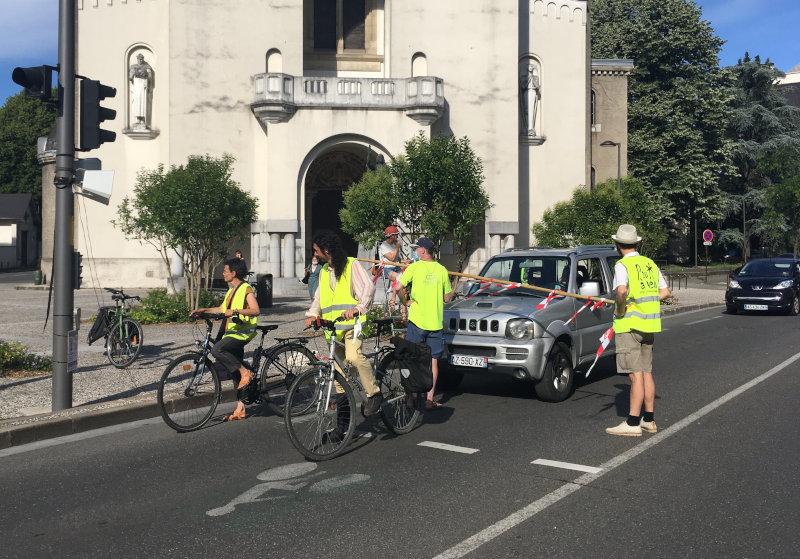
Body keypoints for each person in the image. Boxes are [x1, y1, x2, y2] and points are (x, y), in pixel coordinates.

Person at [304, 231, 383, 416]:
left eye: (316, 251)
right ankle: (343, 421)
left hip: (351, 326)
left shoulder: (351, 264)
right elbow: (319, 297)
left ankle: (374, 394)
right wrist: (312, 314)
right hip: (333, 329)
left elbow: (368, 287)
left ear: (327, 250)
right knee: (338, 374)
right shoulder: (324, 271)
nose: (314, 254)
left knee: (354, 356)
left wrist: (358, 308)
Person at [606, 224, 671, 436]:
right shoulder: (649, 263)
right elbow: (665, 292)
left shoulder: (622, 265)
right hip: (649, 324)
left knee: (634, 375)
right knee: (646, 371)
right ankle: (649, 420)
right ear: (636, 243)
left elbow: (622, 291)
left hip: (630, 325)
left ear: (617, 244)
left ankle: (632, 422)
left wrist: (621, 309)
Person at [191, 257, 260, 421]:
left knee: (217, 349)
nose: (223, 274)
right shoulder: (231, 290)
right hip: (233, 333)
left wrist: (236, 311)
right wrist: (203, 310)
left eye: (225, 271)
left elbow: (255, 310)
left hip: (242, 333)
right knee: (234, 369)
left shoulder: (246, 288)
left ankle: (246, 372)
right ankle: (240, 409)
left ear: (234, 273)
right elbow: (222, 309)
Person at [395, 237, 453, 410]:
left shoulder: (414, 267)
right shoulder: (442, 270)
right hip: (435, 323)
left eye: (417, 249)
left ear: (422, 251)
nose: (415, 251)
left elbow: (398, 287)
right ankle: (429, 399)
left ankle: (410, 399)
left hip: (417, 322)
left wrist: (405, 302)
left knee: (411, 360)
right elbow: (447, 297)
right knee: (433, 362)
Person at [379, 225, 408, 310]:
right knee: (399, 278)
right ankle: (393, 298)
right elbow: (391, 258)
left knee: (404, 284)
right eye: (395, 235)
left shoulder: (395, 244)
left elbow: (396, 258)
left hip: (397, 267)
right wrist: (397, 247)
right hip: (387, 268)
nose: (397, 237)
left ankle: (403, 313)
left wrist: (405, 261)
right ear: (390, 236)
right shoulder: (384, 246)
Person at [129, 53, 154, 128]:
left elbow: (150, 77)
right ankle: (137, 119)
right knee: (136, 102)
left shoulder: (147, 67)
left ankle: (143, 119)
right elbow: (130, 77)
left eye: (141, 59)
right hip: (136, 86)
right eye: (139, 59)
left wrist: (147, 74)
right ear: (137, 59)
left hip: (143, 86)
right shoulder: (133, 67)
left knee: (143, 102)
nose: (140, 60)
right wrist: (132, 73)